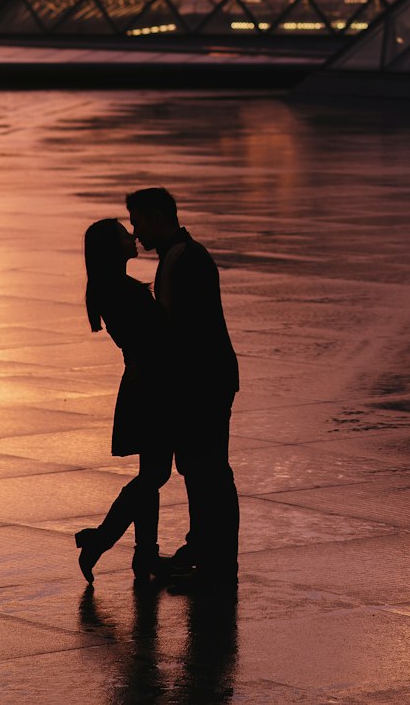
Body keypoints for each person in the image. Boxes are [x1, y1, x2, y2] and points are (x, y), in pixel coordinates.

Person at [126, 186, 240, 589]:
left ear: (159, 217)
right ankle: (205, 550)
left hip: (202, 383)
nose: (136, 233)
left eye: (138, 222)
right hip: (205, 380)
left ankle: (215, 562)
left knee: (208, 471)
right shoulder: (183, 256)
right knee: (201, 470)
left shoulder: (186, 259)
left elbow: (190, 333)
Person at [75, 219, 172, 584]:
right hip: (150, 386)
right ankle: (101, 540)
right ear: (112, 249)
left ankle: (144, 553)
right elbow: (156, 337)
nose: (132, 237)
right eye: (123, 235)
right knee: (155, 474)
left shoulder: (111, 288)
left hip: (143, 383)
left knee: (150, 474)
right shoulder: (120, 291)